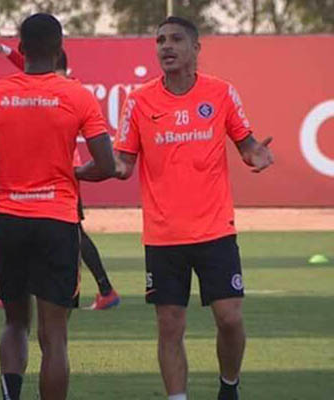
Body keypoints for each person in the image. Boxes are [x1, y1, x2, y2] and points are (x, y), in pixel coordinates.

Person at [113, 16, 274, 400]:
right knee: (170, 325)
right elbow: (123, 163)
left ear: (196, 48)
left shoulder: (221, 93)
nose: (166, 47)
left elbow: (247, 145)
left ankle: (229, 386)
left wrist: (258, 155)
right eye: (160, 41)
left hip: (215, 229)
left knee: (230, 318)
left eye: (175, 39)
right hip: (163, 234)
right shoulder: (138, 100)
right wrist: (102, 164)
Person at [0, 13, 117, 400]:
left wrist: (7, 171)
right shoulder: (77, 95)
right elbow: (106, 165)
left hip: (8, 220)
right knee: (54, 335)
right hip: (57, 222)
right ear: (60, 49)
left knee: (15, 323)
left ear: (21, 47)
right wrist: (72, 172)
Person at [0, 41, 121, 310]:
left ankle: (99, 289)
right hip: (57, 174)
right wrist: (8, 53)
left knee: (72, 234)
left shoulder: (68, 88)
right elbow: (28, 66)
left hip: (61, 175)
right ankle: (21, 289)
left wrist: (10, 53)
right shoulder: (59, 87)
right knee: (69, 233)